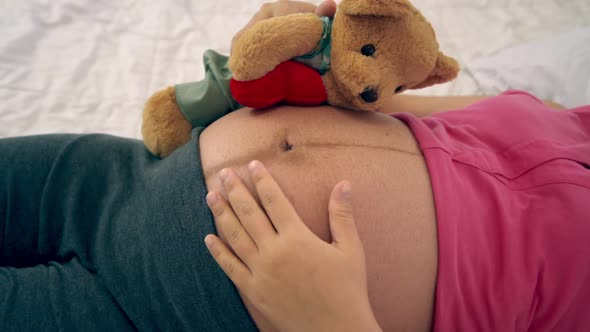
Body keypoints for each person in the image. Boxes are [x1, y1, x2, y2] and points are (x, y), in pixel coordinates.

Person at [1, 2, 589, 332]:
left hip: (164, 308)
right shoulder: (568, 115)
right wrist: (300, 68)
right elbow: (384, 102)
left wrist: (336, 321)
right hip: (119, 178)